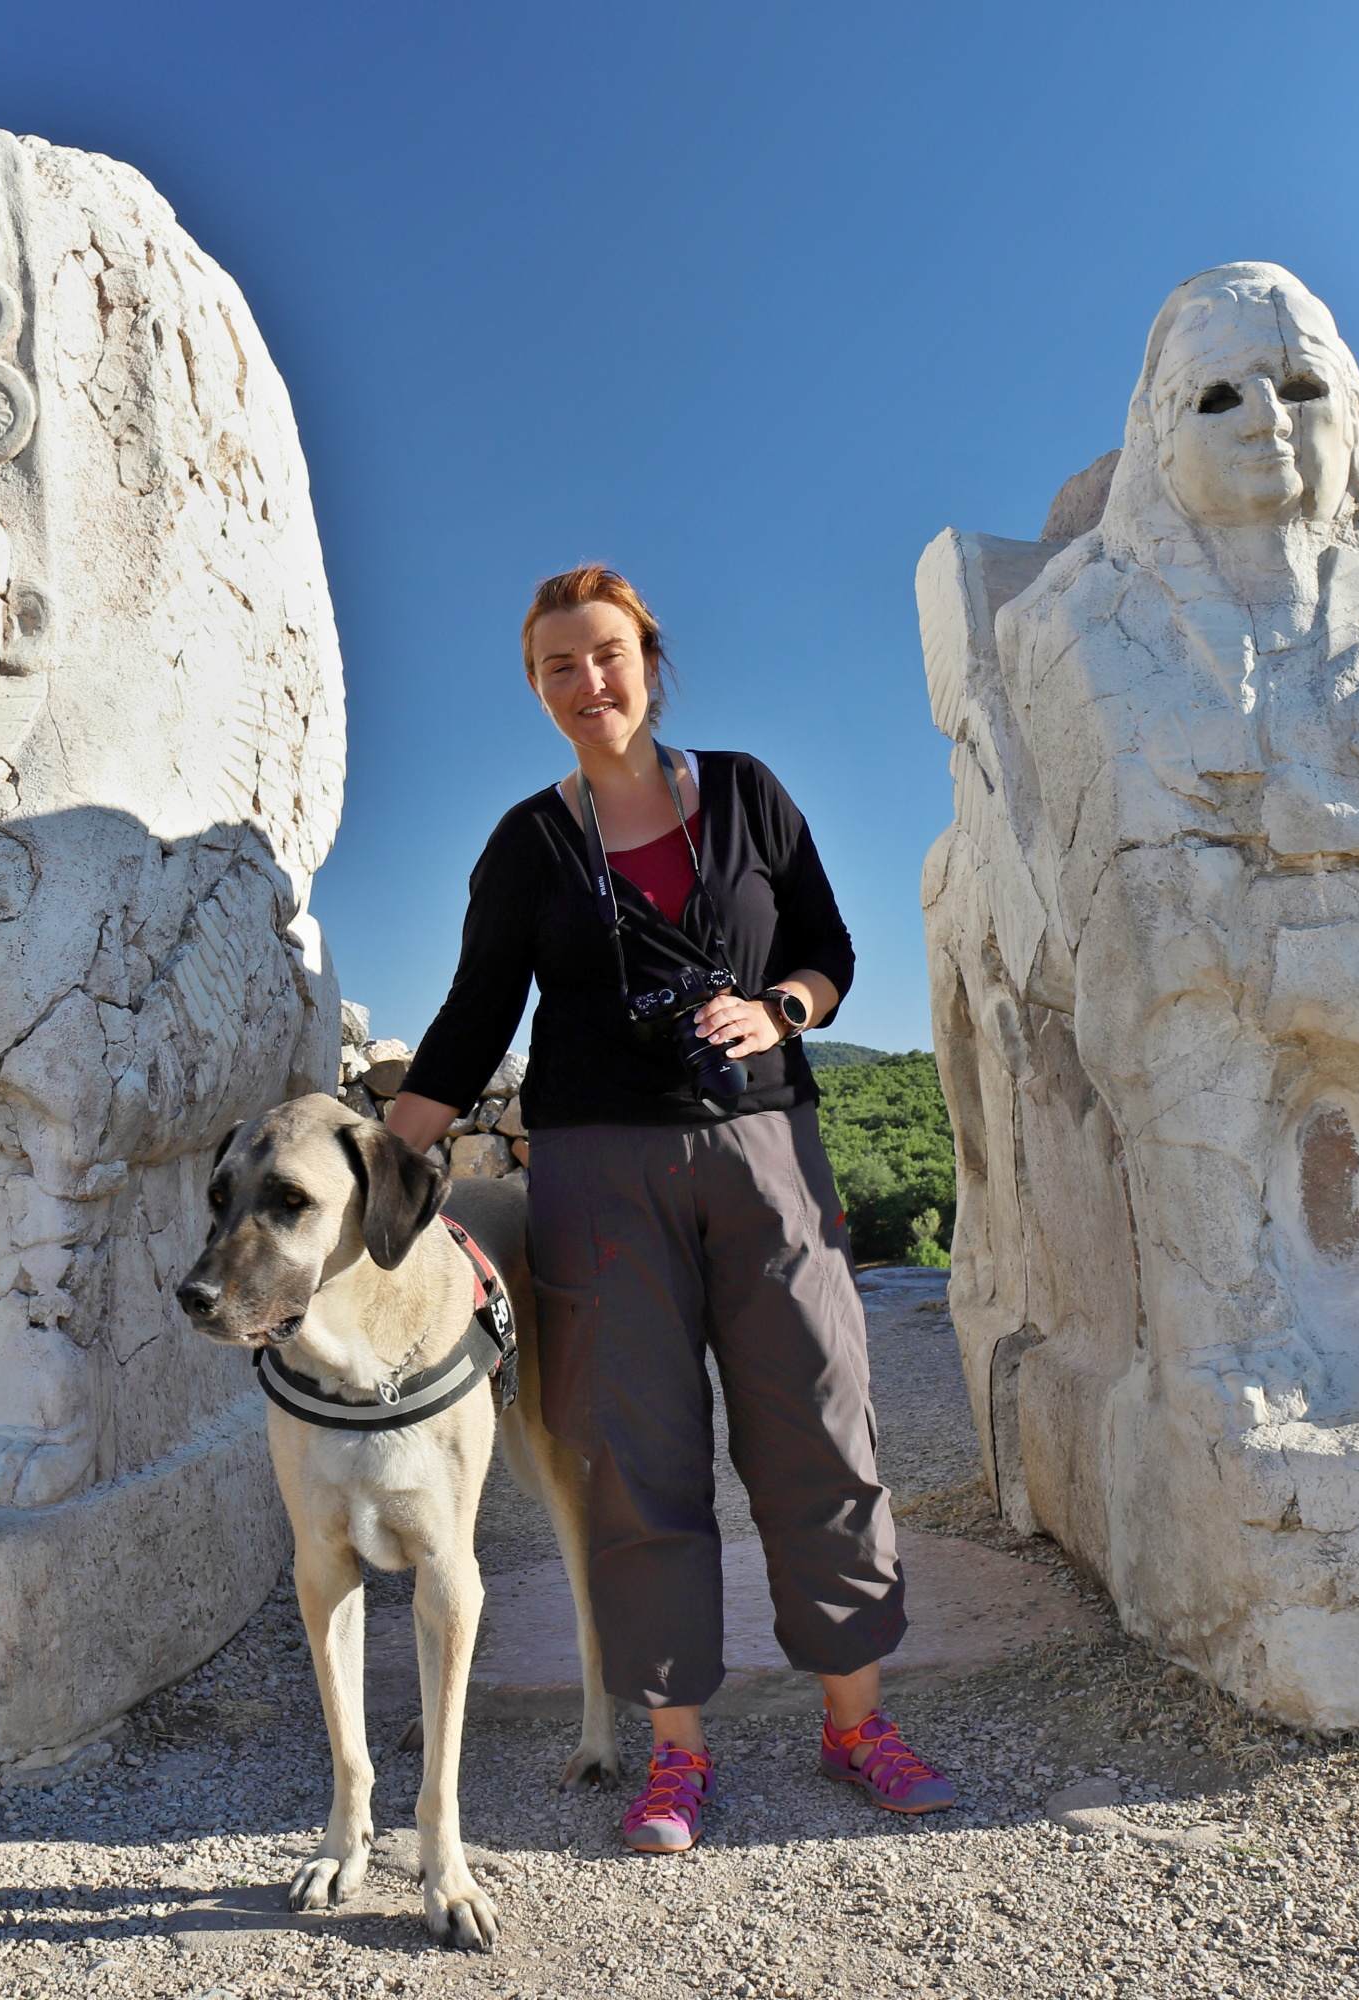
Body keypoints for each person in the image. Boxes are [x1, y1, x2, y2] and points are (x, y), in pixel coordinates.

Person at [387, 564, 952, 1853]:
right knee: (636, 1456)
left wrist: (781, 1008)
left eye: (605, 655)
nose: (587, 684)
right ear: (536, 691)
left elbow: (831, 952)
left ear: (650, 656)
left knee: (819, 1423)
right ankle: (675, 1752)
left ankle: (855, 1719)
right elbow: (478, 1017)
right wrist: (384, 1148)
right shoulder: (528, 843)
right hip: (595, 1169)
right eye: (556, 668)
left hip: (764, 1147)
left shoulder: (749, 793)